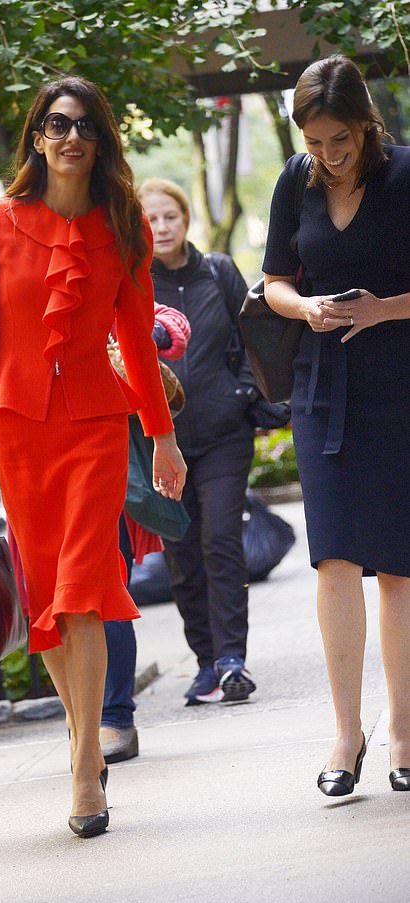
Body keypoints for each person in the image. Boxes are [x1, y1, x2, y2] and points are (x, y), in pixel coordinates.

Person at [0, 75, 186, 838]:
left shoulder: (123, 227)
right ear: (37, 136)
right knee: (49, 600)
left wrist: (163, 439)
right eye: (56, 123)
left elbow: (144, 354)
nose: (70, 135)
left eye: (84, 123)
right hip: (18, 430)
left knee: (85, 586)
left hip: (93, 428)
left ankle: (86, 769)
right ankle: (85, 738)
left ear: (100, 138)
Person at [262, 55, 410, 796]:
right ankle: (347, 734)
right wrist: (307, 308)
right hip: (324, 390)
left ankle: (404, 732)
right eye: (316, 142)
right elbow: (275, 280)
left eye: (340, 140)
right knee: (336, 561)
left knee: (400, 568)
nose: (329, 155)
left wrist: (387, 307)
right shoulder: (296, 180)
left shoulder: (406, 174)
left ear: (365, 122)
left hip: (401, 386)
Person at [138, 178, 257, 707]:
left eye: (170, 216)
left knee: (221, 541)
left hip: (224, 435)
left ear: (185, 220)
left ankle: (233, 659)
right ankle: (205, 661)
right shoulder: (135, 283)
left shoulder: (219, 272)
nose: (161, 227)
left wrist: (246, 392)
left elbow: (256, 334)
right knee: (182, 552)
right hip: (163, 443)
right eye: (150, 219)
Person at [101, 301, 190, 764]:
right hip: (44, 442)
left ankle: (114, 715)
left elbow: (175, 326)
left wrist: (145, 332)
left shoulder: (109, 256)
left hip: (110, 452)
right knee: (57, 598)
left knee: (109, 584)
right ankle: (85, 717)